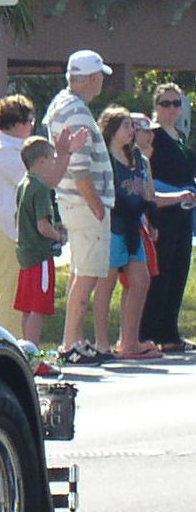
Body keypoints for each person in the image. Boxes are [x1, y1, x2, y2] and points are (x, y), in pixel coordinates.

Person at [44, 50, 115, 364]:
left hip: (72, 200)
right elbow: (80, 167)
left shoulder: (63, 103)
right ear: (93, 78)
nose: (101, 82)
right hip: (83, 202)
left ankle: (74, 340)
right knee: (87, 274)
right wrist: (96, 203)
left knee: (80, 272)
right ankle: (71, 344)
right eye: (100, 77)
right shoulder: (77, 111)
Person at [90, 106, 163, 362]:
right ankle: (102, 343)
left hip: (134, 226)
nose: (131, 132)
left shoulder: (140, 160)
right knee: (106, 284)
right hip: (111, 227)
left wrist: (152, 219)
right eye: (126, 126)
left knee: (140, 281)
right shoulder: (104, 160)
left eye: (132, 127)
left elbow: (148, 193)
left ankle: (129, 341)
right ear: (110, 129)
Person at [0, 94, 38, 337]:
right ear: (16, 123)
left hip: (5, 225)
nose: (32, 125)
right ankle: (5, 345)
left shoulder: (13, 147)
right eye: (30, 120)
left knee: (16, 289)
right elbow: (34, 180)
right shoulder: (2, 150)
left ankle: (14, 344)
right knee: (11, 289)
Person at [142, 83, 196, 351]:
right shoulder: (152, 136)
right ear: (156, 107)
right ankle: (149, 332)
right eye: (166, 103)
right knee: (159, 272)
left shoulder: (180, 136)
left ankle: (170, 333)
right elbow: (145, 173)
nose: (172, 109)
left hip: (184, 212)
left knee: (179, 269)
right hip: (162, 211)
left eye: (176, 103)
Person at [13, 136, 68, 347]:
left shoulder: (23, 184)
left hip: (26, 254)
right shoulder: (41, 188)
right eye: (53, 158)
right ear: (42, 161)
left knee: (27, 307)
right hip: (41, 255)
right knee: (38, 307)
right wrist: (59, 236)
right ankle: (34, 355)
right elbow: (43, 227)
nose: (55, 162)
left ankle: (27, 351)